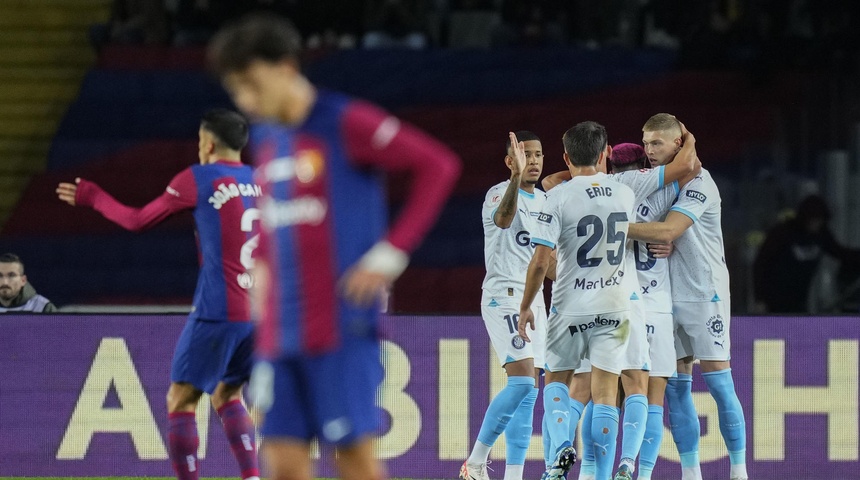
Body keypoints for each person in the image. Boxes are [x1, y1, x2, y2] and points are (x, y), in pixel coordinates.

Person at [207, 13, 461, 480]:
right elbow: (269, 232)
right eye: (235, 90)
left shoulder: (345, 121)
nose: (245, 100)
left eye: (251, 84)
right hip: (280, 334)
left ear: (285, 68)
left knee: (355, 462)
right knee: (281, 464)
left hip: (340, 326)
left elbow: (437, 165)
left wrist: (390, 254)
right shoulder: (266, 141)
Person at [56, 109, 261, 480]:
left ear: (209, 143)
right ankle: (252, 478)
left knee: (180, 402)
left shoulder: (198, 179)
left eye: (200, 141)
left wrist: (93, 196)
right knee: (228, 395)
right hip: (261, 313)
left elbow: (137, 220)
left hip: (219, 310)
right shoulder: (262, 182)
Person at [627, 113, 748, 480]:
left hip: (702, 292)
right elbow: (656, 232)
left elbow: (669, 229)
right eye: (645, 143)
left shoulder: (700, 182)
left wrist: (610, 226)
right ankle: (691, 473)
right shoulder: (655, 182)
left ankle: (739, 471)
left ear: (676, 144)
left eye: (657, 143)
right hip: (664, 298)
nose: (648, 151)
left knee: (718, 382)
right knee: (677, 387)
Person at [518, 121, 636, 480]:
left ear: (566, 157)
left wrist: (525, 306)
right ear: (605, 154)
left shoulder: (556, 197)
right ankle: (601, 476)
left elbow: (540, 260)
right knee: (605, 395)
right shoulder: (624, 194)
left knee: (555, 382)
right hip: (616, 307)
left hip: (570, 307)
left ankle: (559, 451)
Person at [461, 131, 548, 480]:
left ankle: (514, 475)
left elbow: (548, 258)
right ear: (511, 161)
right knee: (522, 384)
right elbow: (503, 220)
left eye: (539, 154)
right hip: (504, 296)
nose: (535, 161)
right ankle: (476, 462)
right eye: (526, 155)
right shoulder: (499, 192)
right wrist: (514, 179)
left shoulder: (545, 201)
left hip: (534, 300)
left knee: (530, 391)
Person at [753, 193, 860, 313]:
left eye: (820, 220)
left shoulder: (821, 235)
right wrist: (760, 298)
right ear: (805, 218)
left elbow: (840, 253)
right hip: (773, 300)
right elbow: (761, 264)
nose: (816, 224)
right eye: (813, 220)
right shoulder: (783, 233)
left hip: (798, 301)